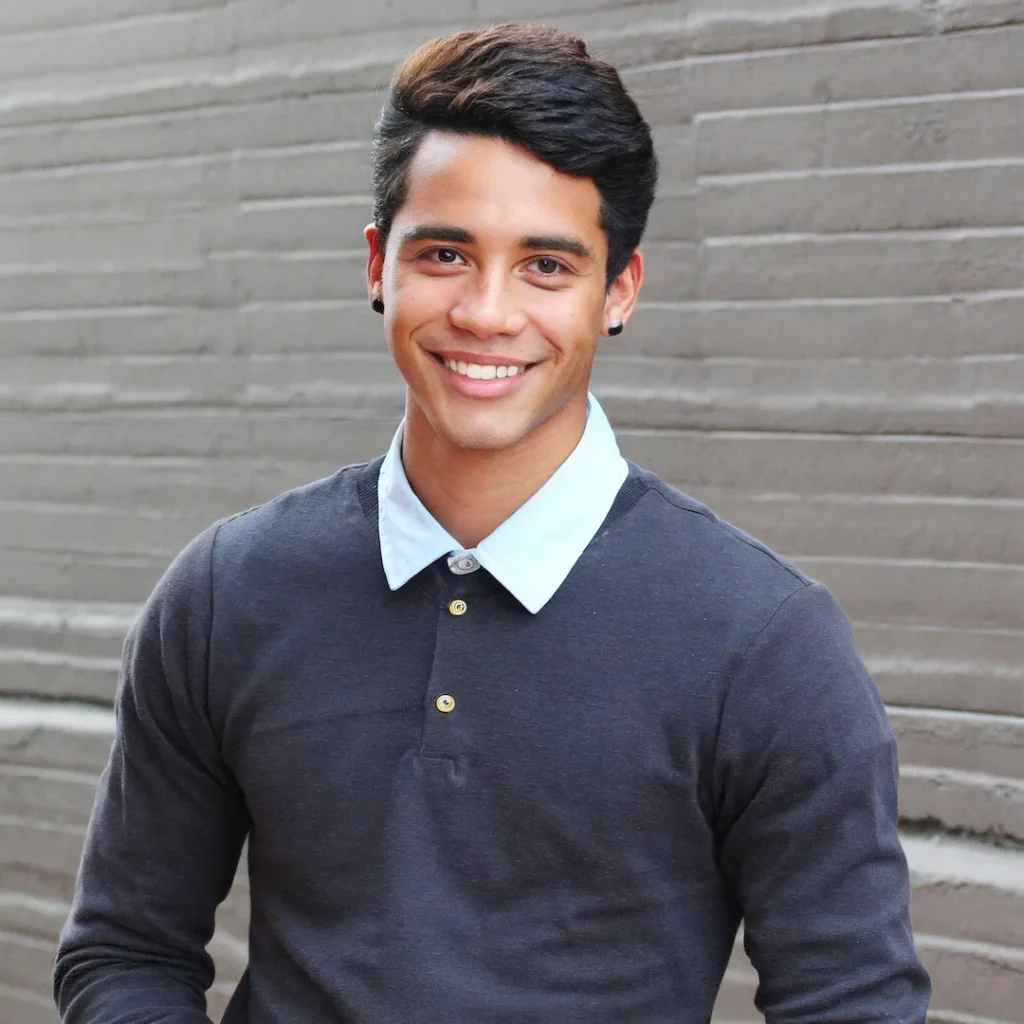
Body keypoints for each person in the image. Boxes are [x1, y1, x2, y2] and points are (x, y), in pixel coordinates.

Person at [54, 22, 931, 1023]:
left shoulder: (765, 642)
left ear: (619, 291)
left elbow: (850, 1003)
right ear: (379, 264)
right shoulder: (227, 593)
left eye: (546, 267)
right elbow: (126, 950)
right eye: (446, 253)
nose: (485, 311)